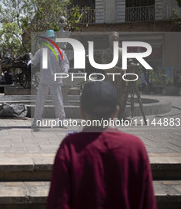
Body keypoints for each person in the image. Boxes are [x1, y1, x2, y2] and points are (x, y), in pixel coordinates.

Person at [46, 81, 157, 209]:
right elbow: (147, 202)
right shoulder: (135, 147)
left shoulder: (70, 147)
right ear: (115, 111)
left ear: (81, 111)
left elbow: (58, 202)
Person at [30, 30, 69, 130]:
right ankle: (36, 122)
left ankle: (62, 121)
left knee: (59, 102)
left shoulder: (59, 51)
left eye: (52, 38)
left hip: (56, 81)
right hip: (44, 81)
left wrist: (65, 71)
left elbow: (65, 63)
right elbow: (33, 61)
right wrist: (30, 62)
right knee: (39, 102)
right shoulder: (41, 52)